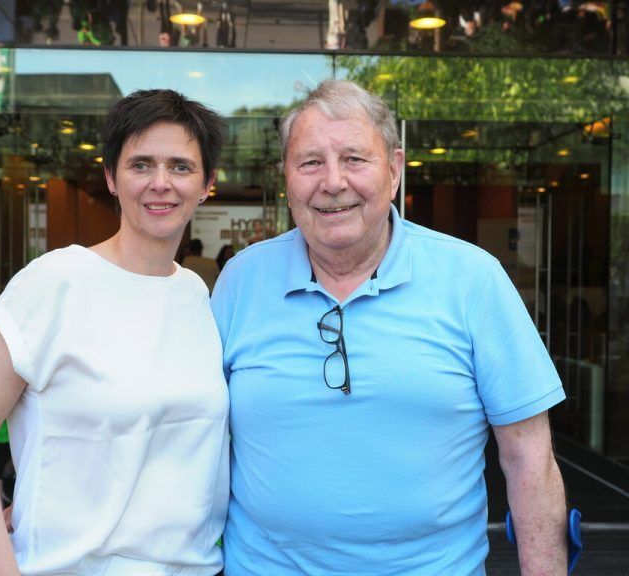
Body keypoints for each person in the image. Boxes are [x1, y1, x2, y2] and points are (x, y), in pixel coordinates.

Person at [211, 79, 568, 575]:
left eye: (355, 159)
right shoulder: (240, 282)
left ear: (394, 170)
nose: (332, 182)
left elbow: (529, 456)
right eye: (310, 162)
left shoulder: (473, 279)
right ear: (287, 179)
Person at [0, 89, 229, 576]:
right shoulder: (55, 282)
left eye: (181, 166)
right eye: (141, 165)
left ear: (206, 184)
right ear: (112, 178)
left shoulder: (197, 295)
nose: (161, 183)